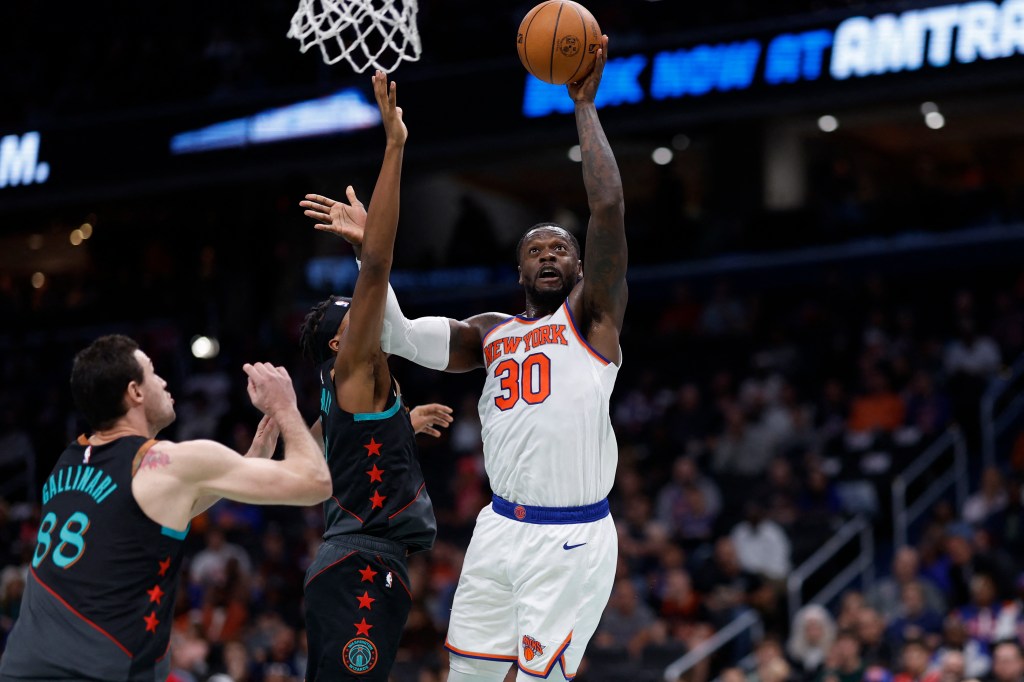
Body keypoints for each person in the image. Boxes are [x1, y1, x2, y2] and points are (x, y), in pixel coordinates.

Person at [301, 35, 625, 682]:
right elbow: (398, 334)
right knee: (469, 677)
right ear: (518, 269)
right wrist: (373, 252)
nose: (551, 254)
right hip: (500, 528)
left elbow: (608, 207)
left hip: (572, 535)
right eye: (537, 247)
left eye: (562, 248)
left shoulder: (592, 320)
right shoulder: (488, 333)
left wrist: (584, 105)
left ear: (583, 268)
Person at [0, 334, 330, 681]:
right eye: (153, 372)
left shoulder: (67, 463)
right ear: (135, 392)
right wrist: (284, 406)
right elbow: (315, 483)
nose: (163, 381)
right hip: (96, 672)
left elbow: (154, 513)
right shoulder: (168, 460)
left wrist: (249, 462)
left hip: (20, 668)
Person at [297, 71, 446, 681]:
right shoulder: (354, 365)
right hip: (361, 567)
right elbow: (380, 266)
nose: (364, 306)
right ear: (341, 338)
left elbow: (337, 458)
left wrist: (401, 426)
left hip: (343, 564)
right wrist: (394, 145)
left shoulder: (346, 400)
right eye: (352, 307)